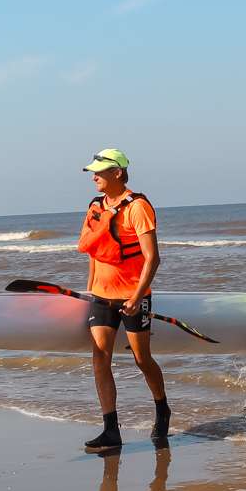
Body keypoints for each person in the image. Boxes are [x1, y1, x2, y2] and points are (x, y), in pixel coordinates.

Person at [75, 148, 170, 451]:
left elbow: (152, 258)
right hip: (101, 296)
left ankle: (162, 409)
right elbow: (94, 251)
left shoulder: (138, 207)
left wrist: (137, 296)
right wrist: (90, 290)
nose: (94, 177)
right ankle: (110, 429)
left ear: (117, 173)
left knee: (142, 359)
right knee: (100, 358)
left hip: (132, 296)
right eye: (93, 172)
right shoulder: (95, 206)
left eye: (99, 172)